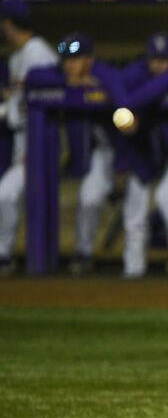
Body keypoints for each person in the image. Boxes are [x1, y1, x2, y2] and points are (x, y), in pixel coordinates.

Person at [26, 32, 124, 275]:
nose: (71, 63)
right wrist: (65, 84)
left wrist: (98, 85)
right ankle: (73, 254)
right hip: (78, 151)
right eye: (67, 58)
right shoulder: (61, 75)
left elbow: (119, 87)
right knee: (78, 198)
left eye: (77, 58)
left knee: (93, 199)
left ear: (89, 59)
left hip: (110, 150)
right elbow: (33, 76)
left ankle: (87, 252)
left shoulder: (103, 73)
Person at [114, 33, 168, 278]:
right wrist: (122, 164)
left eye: (165, 60)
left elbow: (160, 86)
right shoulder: (133, 76)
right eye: (155, 59)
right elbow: (117, 88)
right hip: (142, 154)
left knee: (167, 200)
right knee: (134, 214)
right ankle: (133, 271)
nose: (159, 64)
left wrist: (129, 105)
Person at [0, 1, 57, 277]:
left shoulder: (39, 52)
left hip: (39, 139)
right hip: (20, 138)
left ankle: (4, 255)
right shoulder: (16, 58)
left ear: (9, 25)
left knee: (5, 194)